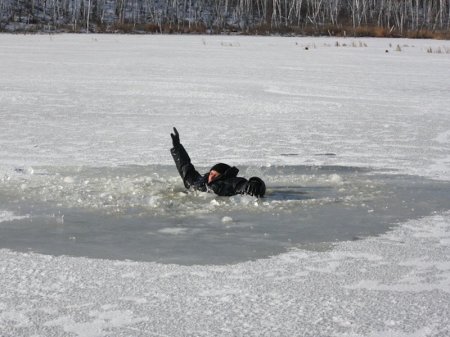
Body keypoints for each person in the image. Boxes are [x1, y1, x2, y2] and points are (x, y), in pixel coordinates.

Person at [170, 127, 266, 197]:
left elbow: (243, 185)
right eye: (211, 173)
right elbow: (185, 167)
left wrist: (255, 183)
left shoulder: (230, 182)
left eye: (216, 175)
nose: (211, 176)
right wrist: (177, 147)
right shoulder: (198, 182)